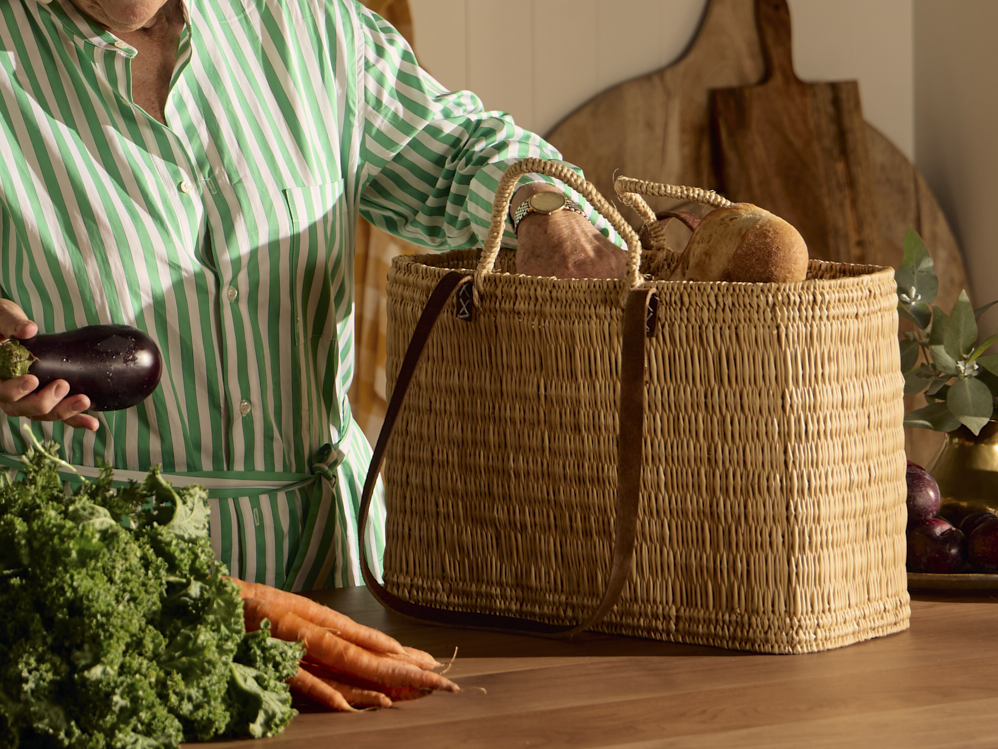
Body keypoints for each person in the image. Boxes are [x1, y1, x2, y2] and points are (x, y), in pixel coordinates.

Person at [0, 0, 625, 590]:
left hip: (335, 568)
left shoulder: (310, 26)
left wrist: (545, 211)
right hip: (87, 570)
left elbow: (462, 149)